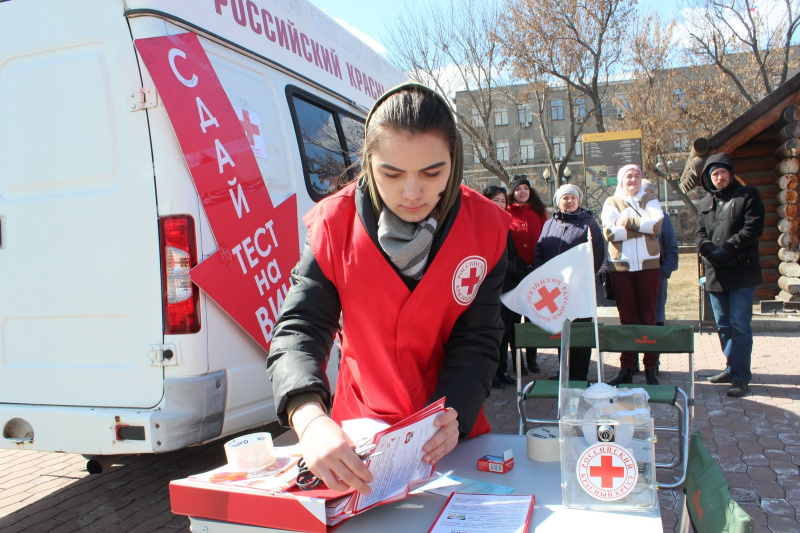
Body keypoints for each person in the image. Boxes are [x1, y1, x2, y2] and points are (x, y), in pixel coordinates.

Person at [267, 83, 511, 496]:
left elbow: (479, 338)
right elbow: (300, 329)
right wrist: (308, 419)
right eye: (391, 174)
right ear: (368, 162)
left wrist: (456, 410)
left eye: (432, 172)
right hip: (359, 440)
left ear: (455, 161)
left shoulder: (486, 229)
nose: (412, 193)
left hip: (446, 435)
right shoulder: (332, 225)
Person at [696, 153, 764, 397]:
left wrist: (728, 249)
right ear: (709, 178)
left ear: (730, 173)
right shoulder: (704, 203)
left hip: (741, 271)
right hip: (716, 272)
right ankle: (731, 366)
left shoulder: (748, 195)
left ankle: (741, 377)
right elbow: (699, 234)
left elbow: (753, 228)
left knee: (739, 325)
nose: (719, 177)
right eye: (714, 174)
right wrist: (712, 253)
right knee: (723, 325)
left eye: (723, 172)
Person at [601, 165, 664, 386]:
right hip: (621, 267)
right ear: (621, 180)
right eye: (629, 176)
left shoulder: (650, 199)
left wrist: (626, 222)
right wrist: (641, 226)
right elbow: (609, 232)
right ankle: (627, 367)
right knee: (626, 319)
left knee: (648, 317)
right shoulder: (612, 202)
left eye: (637, 175)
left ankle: (650, 368)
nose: (634, 179)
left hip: (648, 266)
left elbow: (656, 225)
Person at [534, 184, 604, 381]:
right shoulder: (549, 224)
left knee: (580, 332)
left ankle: (579, 374)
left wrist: (581, 278)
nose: (569, 201)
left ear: (579, 200)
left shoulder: (589, 224)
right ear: (559, 201)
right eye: (565, 198)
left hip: (579, 290)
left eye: (573, 197)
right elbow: (539, 249)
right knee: (561, 331)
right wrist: (542, 275)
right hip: (554, 290)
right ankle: (564, 371)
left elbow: (597, 254)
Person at [482, 185, 529, 389]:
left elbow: (511, 252)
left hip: (507, 286)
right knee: (491, 331)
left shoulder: (505, 225)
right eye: (495, 200)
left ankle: (502, 369)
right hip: (489, 288)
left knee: (506, 330)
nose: (500, 204)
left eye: (503, 201)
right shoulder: (480, 224)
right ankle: (490, 374)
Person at [507, 175, 548, 374]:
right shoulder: (506, 212)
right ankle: (517, 360)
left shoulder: (539, 211)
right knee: (514, 319)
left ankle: (532, 358)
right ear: (512, 192)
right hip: (514, 274)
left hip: (535, 271)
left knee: (532, 317)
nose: (522, 192)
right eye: (518, 189)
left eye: (525, 188)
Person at [642, 179, 679, 327]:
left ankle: (653, 351)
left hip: (657, 279)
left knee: (656, 321)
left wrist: (662, 273)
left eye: (651, 195)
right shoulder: (628, 217)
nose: (648, 199)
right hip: (634, 278)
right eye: (644, 195)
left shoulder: (663, 218)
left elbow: (671, 249)